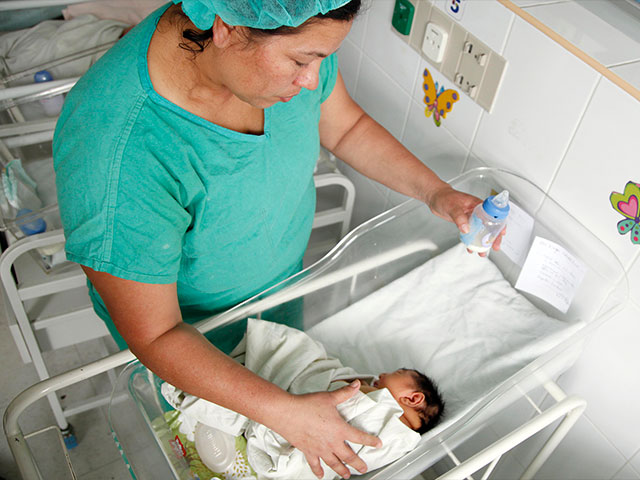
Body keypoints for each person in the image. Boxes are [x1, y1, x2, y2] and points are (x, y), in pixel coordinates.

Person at [53, 1, 501, 478]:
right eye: (302, 60)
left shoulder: (285, 22)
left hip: (278, 297)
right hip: (194, 345)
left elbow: (345, 126)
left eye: (322, 58)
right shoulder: (117, 152)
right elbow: (156, 334)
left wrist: (435, 193)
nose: (312, 80)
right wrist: (284, 414)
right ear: (225, 26)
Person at [161, 318, 445, 479]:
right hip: (297, 413)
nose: (382, 374)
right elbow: (331, 379)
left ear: (413, 398)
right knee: (303, 355)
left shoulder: (400, 436)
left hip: (302, 449)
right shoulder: (382, 405)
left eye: (397, 373)